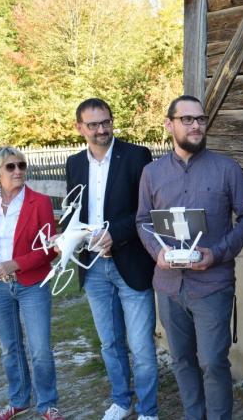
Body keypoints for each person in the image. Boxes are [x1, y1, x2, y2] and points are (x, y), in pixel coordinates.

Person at [135, 95, 243, 420]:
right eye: (187, 119)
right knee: (182, 360)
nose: (196, 125)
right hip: (169, 286)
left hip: (212, 285)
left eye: (200, 119)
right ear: (169, 124)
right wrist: (158, 253)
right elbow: (142, 221)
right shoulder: (152, 173)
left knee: (213, 362)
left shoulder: (227, 169)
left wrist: (216, 254)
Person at [65, 98, 159, 420]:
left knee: (142, 347)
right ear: (80, 128)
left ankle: (148, 410)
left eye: (106, 122)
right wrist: (68, 236)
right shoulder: (74, 163)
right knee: (109, 343)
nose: (102, 129)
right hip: (91, 267)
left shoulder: (137, 156)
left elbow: (146, 211)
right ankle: (121, 400)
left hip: (131, 261)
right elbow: (73, 211)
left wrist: (115, 235)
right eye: (93, 125)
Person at [0, 146, 66, 420]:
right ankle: (19, 401)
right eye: (10, 167)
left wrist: (16, 263)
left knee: (40, 348)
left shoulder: (39, 202)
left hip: (32, 284)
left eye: (21, 165)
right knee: (10, 347)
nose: (18, 171)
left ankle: (47, 405)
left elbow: (50, 248)